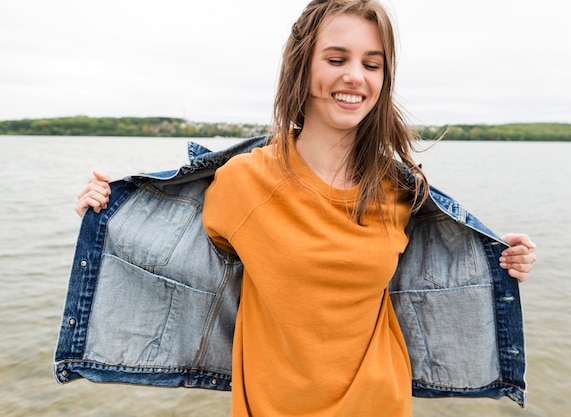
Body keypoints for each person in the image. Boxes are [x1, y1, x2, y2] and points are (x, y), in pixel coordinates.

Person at [74, 1, 536, 416]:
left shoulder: (399, 192)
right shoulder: (243, 182)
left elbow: (442, 271)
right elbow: (172, 252)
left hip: (381, 404)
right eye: (336, 59)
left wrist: (501, 256)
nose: (355, 75)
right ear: (302, 66)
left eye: (371, 64)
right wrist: (107, 213)